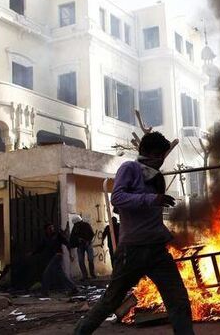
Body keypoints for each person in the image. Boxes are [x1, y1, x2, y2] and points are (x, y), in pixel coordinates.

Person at [74, 132, 194, 335]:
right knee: (111, 300)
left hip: (157, 250)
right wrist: (151, 199)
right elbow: (118, 197)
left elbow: (149, 215)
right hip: (133, 251)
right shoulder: (130, 168)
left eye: (163, 155)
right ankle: (80, 332)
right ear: (146, 152)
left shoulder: (156, 177)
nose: (161, 160)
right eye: (158, 155)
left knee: (178, 300)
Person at [32, 223, 78, 296]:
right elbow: (40, 248)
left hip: (57, 256)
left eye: (52, 228)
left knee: (46, 273)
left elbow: (67, 243)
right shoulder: (46, 238)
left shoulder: (57, 235)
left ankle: (44, 292)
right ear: (46, 230)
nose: (51, 229)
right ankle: (73, 288)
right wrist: (32, 253)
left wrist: (70, 255)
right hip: (52, 257)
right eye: (49, 228)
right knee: (61, 274)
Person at [70, 216, 96, 280]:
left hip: (88, 244)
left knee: (90, 259)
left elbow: (92, 234)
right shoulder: (75, 228)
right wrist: (78, 240)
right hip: (80, 246)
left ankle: (92, 274)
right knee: (81, 261)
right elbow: (72, 237)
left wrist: (88, 241)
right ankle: (85, 275)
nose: (76, 225)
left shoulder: (86, 225)